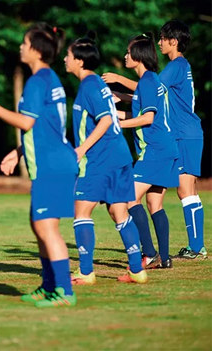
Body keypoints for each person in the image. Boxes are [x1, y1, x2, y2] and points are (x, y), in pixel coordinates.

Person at [0, 23, 78, 307]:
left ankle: (64, 292)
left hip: (52, 165)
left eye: (24, 43)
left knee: (47, 228)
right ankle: (49, 286)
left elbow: (27, 122)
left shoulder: (37, 81)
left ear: (36, 50)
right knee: (38, 224)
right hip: (54, 162)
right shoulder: (48, 77)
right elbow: (46, 127)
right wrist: (18, 152)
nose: (21, 47)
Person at [104, 21, 206, 260]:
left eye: (162, 38)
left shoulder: (176, 65)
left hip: (183, 133)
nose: (159, 43)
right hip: (184, 133)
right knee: (176, 194)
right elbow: (148, 93)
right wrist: (122, 97)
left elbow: (149, 86)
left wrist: (119, 81)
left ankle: (195, 247)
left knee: (185, 190)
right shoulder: (179, 66)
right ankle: (188, 248)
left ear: (174, 41)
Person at [63, 34, 147, 285]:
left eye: (68, 55)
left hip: (101, 158)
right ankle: (137, 270)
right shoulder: (95, 84)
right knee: (118, 211)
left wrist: (81, 149)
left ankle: (86, 272)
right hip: (118, 155)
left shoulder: (89, 85)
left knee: (81, 210)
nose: (65, 59)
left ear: (79, 61)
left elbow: (107, 120)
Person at [113, 33, 179, 269]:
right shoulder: (150, 81)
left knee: (129, 198)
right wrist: (113, 115)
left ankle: (149, 254)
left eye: (128, 52)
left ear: (138, 55)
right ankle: (164, 258)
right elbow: (139, 114)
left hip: (155, 150)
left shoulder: (148, 81)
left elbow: (148, 118)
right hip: (165, 149)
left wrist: (118, 125)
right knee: (154, 204)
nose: (125, 56)